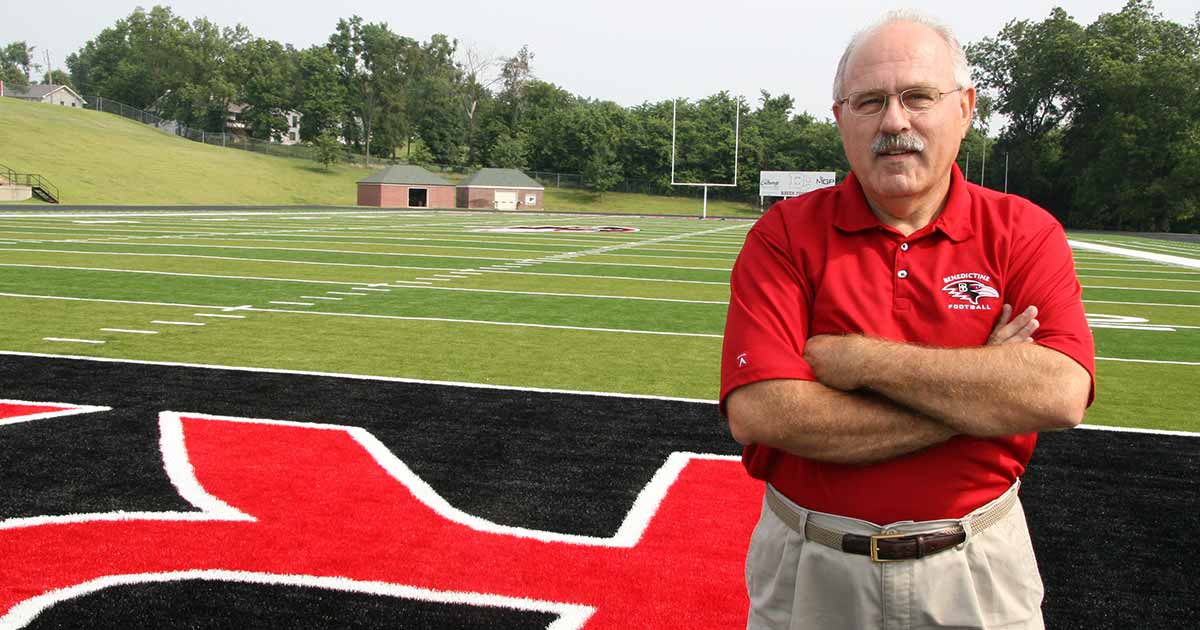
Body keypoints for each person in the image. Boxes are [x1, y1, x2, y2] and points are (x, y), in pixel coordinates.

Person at [720, 10, 1095, 630]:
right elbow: (765, 414)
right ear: (840, 117)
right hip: (812, 565)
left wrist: (861, 361)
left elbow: (1058, 394)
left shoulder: (1024, 231)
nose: (895, 121)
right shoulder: (782, 235)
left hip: (977, 565)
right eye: (869, 102)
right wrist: (984, 394)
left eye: (918, 97)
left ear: (966, 108)